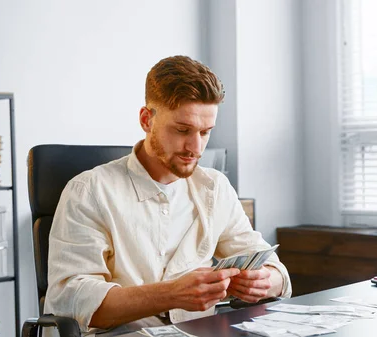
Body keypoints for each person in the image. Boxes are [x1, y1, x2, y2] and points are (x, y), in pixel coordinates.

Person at [44, 55, 292, 334]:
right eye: (182, 130)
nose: (195, 147)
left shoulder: (215, 187)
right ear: (146, 119)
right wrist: (171, 294)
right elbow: (71, 302)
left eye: (205, 132)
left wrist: (264, 281)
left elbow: (275, 271)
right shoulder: (89, 190)